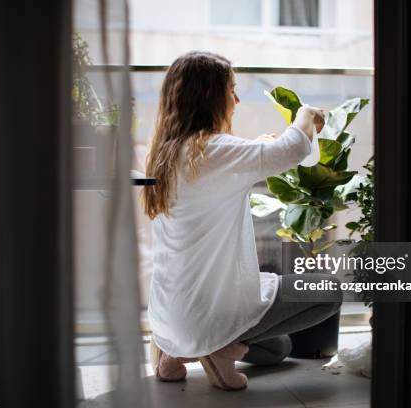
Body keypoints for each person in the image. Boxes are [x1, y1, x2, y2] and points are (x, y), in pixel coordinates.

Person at [143, 51, 342, 391]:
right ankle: (214, 346)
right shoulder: (216, 150)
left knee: (278, 349)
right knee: (330, 290)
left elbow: (217, 171)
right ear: (209, 96)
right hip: (205, 314)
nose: (235, 100)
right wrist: (306, 114)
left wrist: (254, 149)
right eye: (231, 90)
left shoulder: (166, 152)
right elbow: (294, 149)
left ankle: (178, 353)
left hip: (169, 315)